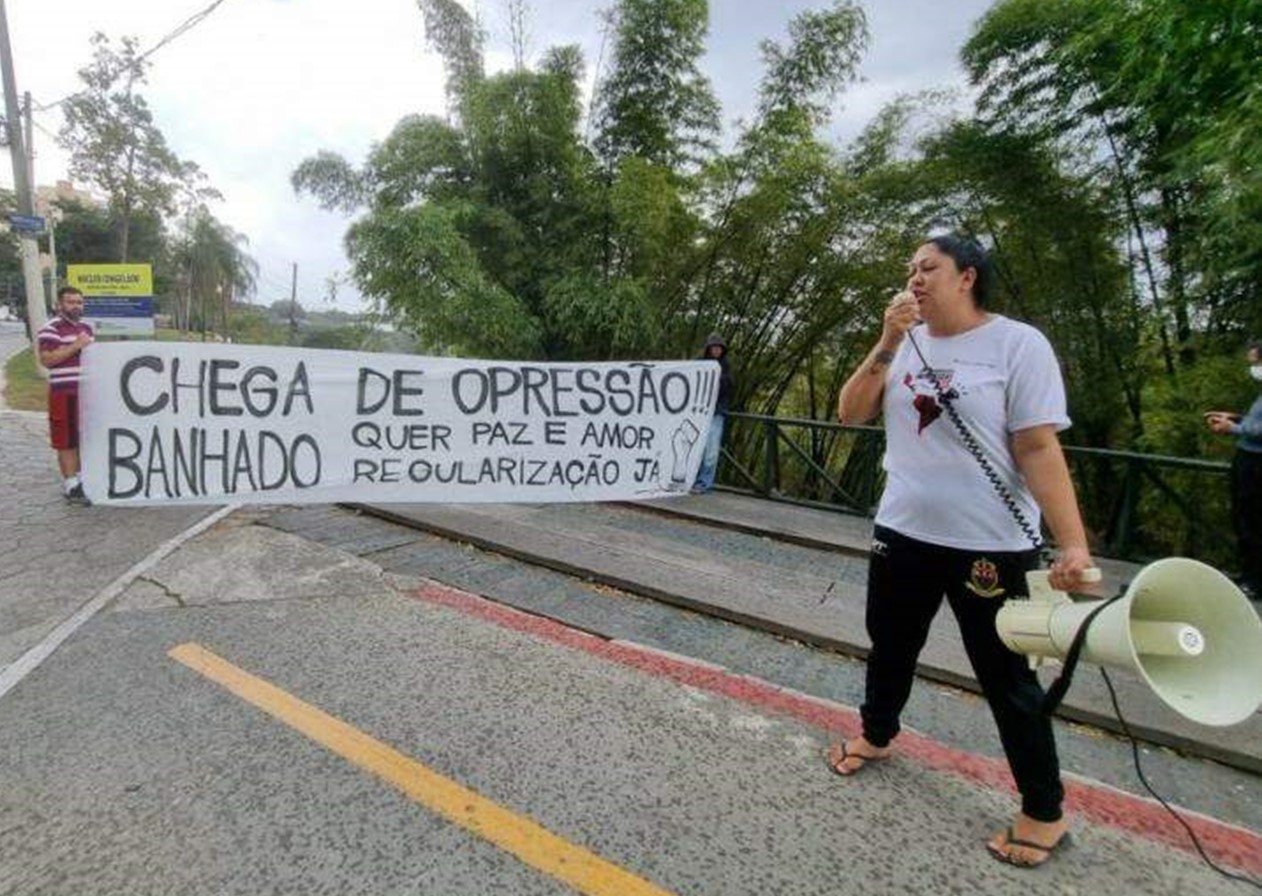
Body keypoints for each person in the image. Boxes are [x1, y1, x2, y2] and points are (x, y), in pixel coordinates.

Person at [831, 234, 1097, 869]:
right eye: (910, 270)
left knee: (1006, 676)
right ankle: (877, 732)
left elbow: (1037, 447)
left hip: (990, 546)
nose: (915, 278)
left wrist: (1074, 542)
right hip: (902, 531)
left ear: (968, 276)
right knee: (890, 643)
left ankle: (1043, 808)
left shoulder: (1017, 344)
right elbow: (850, 413)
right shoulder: (904, 342)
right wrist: (889, 341)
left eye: (929, 268)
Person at [1204, 339, 1262, 601]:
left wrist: (1233, 428)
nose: (1254, 368)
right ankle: (1248, 573)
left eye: (1256, 362)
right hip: (1247, 458)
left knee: (1253, 520)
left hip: (1256, 463)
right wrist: (1236, 418)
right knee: (1243, 517)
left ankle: (1255, 581)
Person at [37, 286, 95, 502]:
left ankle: (82, 479)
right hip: (64, 392)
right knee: (66, 439)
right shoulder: (51, 328)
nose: (76, 306)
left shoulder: (87, 328)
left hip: (87, 393)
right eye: (71, 302)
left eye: (79, 302)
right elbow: (47, 360)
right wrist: (76, 346)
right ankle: (71, 485)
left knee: (84, 437)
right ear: (60, 304)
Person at [691, 333, 732, 494]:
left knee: (711, 449)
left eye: (719, 348)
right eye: (713, 347)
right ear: (708, 349)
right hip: (697, 412)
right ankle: (690, 479)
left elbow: (728, 388)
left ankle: (704, 482)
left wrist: (717, 378)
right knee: (694, 447)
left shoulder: (726, 366)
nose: (716, 350)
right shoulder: (699, 364)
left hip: (716, 412)